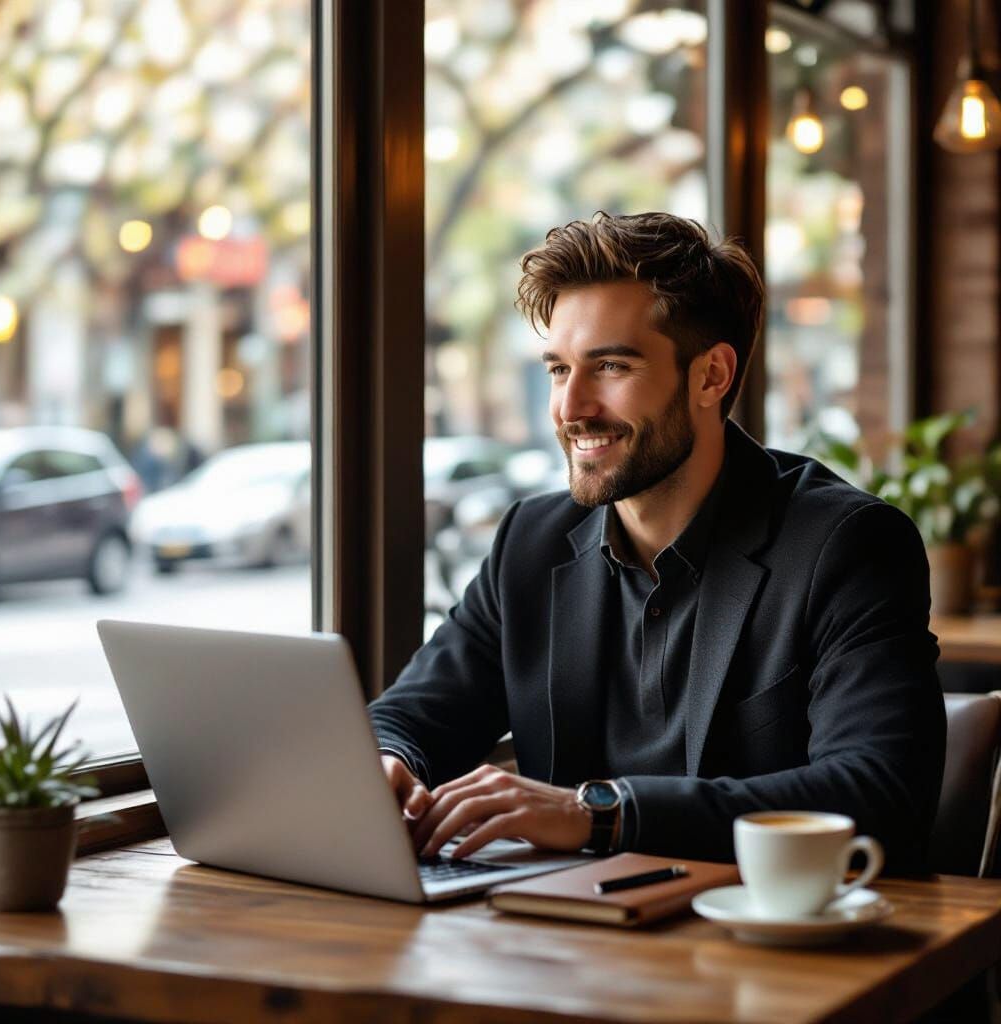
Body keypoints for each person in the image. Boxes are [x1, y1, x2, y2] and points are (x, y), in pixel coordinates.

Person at [369, 211, 945, 873]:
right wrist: (388, 764)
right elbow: (412, 714)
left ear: (711, 376)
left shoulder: (846, 545)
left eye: (610, 366)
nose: (571, 408)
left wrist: (600, 814)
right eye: (558, 370)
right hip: (560, 924)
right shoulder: (530, 542)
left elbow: (879, 793)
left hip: (758, 927)